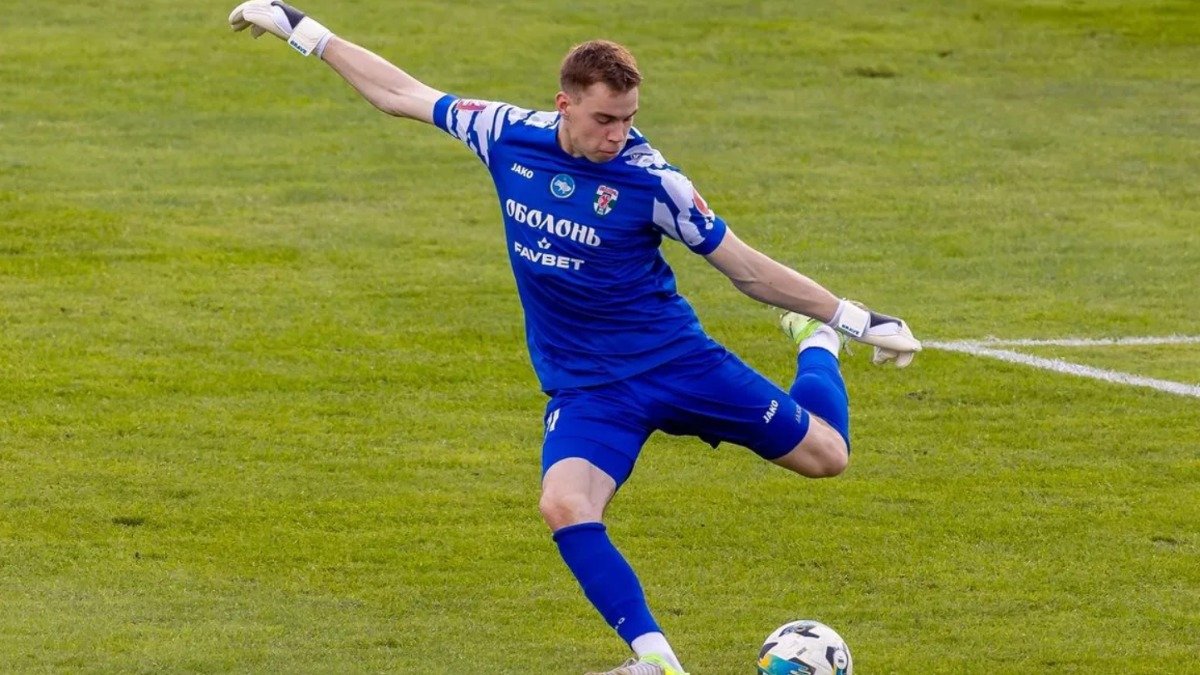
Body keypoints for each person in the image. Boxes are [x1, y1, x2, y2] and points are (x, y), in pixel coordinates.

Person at [228, 3, 922, 673]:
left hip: (676, 362)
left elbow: (746, 270)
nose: (618, 134)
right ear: (564, 104)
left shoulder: (653, 182)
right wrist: (304, 30)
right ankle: (656, 659)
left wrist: (853, 317)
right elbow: (402, 94)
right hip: (590, 389)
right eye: (604, 119)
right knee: (564, 504)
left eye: (629, 118)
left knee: (827, 458)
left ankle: (816, 340)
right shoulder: (505, 133)